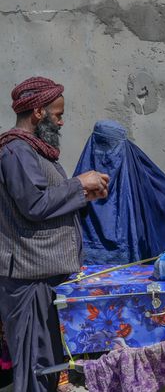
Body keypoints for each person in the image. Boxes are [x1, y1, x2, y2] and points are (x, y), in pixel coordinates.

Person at [0, 76, 110, 392]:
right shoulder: (16, 151)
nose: (61, 122)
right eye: (58, 114)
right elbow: (34, 204)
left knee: (47, 365)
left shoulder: (33, 151)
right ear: (38, 112)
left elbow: (42, 200)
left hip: (43, 274)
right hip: (28, 277)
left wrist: (82, 195)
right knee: (35, 367)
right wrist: (79, 184)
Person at [74, 120, 165, 264]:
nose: (106, 156)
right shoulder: (82, 179)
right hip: (88, 261)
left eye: (112, 146)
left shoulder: (137, 174)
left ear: (123, 145)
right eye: (101, 145)